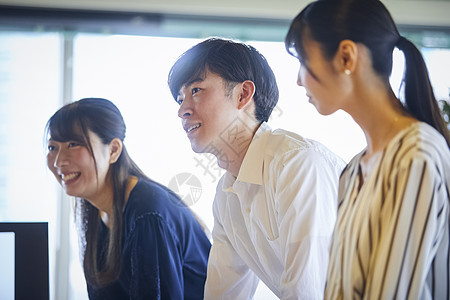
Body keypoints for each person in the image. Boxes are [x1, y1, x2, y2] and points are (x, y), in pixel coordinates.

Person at [285, 0, 450, 299]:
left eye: (303, 59)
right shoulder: (352, 172)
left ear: (346, 56)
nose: (299, 79)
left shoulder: (415, 157)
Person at [168, 37, 346, 299]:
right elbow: (224, 293)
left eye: (196, 90)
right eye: (180, 98)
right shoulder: (226, 193)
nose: (182, 110)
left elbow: (308, 292)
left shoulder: (297, 164)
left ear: (243, 94)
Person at [45, 97, 211, 299]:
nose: (59, 161)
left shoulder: (147, 212)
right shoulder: (96, 209)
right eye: (52, 147)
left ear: (113, 150)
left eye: (73, 144)